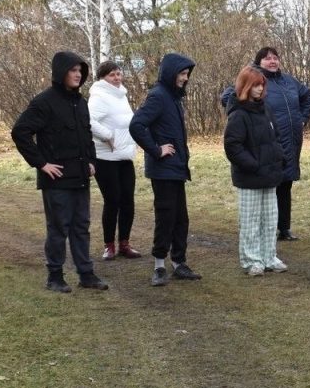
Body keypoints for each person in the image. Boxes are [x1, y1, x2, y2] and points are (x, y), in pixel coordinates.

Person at [12, 51, 108, 293]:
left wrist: (91, 161)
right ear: (60, 72)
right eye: (73, 70)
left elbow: (86, 136)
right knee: (58, 228)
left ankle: (86, 274)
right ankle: (55, 276)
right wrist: (41, 164)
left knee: (81, 227)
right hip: (56, 179)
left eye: (80, 71)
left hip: (81, 176)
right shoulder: (44, 102)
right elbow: (20, 132)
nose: (77, 75)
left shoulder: (81, 102)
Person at [221, 47, 310, 241]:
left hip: (290, 139)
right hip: (264, 139)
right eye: (267, 58)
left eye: (275, 58)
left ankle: (284, 228)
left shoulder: (289, 81)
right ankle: (264, 230)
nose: (272, 61)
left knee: (285, 183)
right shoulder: (252, 78)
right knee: (268, 184)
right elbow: (230, 97)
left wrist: (302, 118)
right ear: (258, 62)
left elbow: (307, 96)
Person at [129, 53, 202, 287]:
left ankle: (179, 263)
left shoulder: (173, 98)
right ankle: (159, 266)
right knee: (166, 216)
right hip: (163, 170)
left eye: (187, 74)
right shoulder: (158, 96)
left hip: (177, 168)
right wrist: (156, 150)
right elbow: (136, 125)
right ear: (171, 73)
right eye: (182, 73)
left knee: (181, 218)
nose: (185, 78)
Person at [223, 67, 288, 276]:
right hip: (249, 177)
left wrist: (279, 158)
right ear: (246, 86)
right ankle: (252, 261)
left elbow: (275, 137)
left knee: (269, 221)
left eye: (262, 85)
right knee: (250, 222)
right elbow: (233, 147)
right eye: (256, 85)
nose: (260, 89)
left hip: (270, 175)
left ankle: (269, 257)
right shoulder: (238, 114)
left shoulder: (266, 109)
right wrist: (253, 165)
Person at [88, 60, 142, 261]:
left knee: (128, 200)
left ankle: (125, 244)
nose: (117, 78)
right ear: (103, 78)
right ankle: (109, 245)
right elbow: (88, 120)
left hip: (124, 155)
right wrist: (107, 135)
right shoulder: (99, 97)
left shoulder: (121, 95)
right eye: (112, 75)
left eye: (119, 74)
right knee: (113, 200)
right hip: (105, 157)